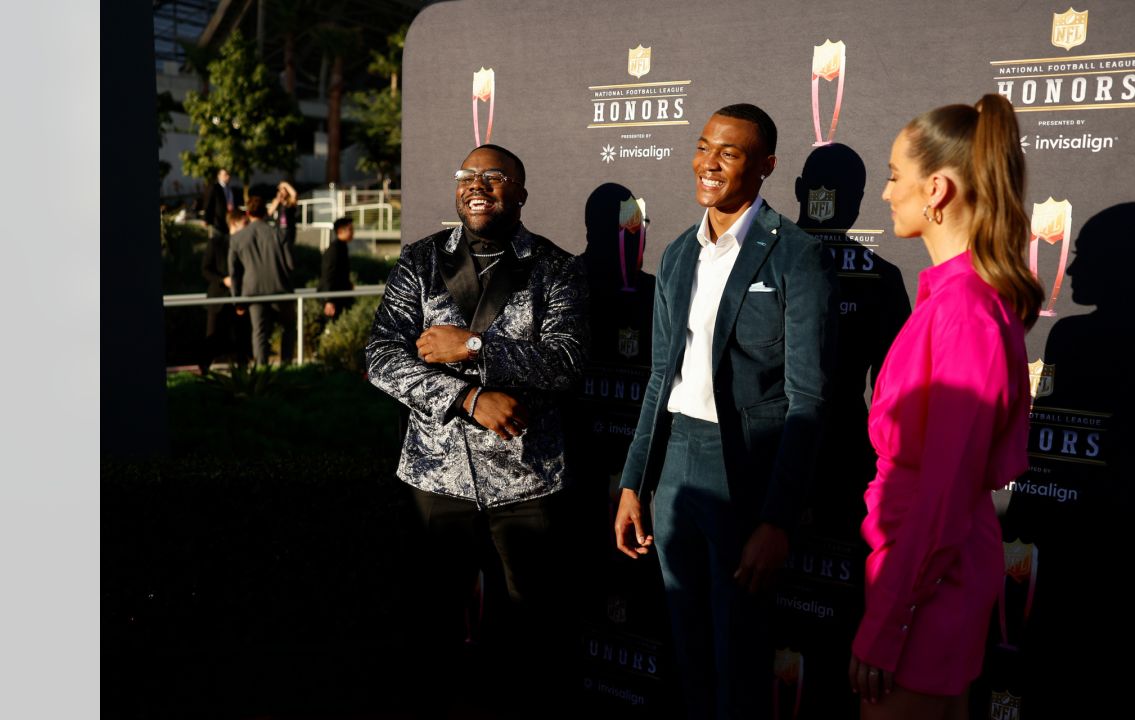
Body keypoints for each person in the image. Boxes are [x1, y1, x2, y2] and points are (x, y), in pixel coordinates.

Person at [613, 104, 837, 720]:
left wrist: (778, 519)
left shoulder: (796, 256)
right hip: (677, 469)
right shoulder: (681, 251)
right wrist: (635, 481)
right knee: (687, 651)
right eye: (705, 146)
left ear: (766, 166)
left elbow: (809, 398)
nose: (709, 163)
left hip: (747, 474)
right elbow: (661, 375)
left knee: (738, 655)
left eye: (730, 153)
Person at [365, 144, 589, 714]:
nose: (478, 184)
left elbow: (565, 361)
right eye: (468, 175)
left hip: (528, 483)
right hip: (434, 484)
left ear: (520, 192)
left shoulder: (554, 267)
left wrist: (473, 346)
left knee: (532, 643)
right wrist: (467, 396)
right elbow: (382, 358)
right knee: (431, 634)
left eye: (495, 175)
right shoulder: (419, 261)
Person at [847, 94, 1044, 719]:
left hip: (927, 588)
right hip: (919, 578)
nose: (885, 193)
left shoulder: (964, 314)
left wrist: (888, 623)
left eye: (894, 176)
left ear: (936, 189)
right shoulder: (952, 302)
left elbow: (945, 493)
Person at [229, 195, 296, 366]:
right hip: (280, 288)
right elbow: (290, 264)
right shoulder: (277, 233)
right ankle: (286, 365)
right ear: (265, 212)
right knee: (288, 328)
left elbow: (234, 272)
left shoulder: (237, 238)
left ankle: (261, 371)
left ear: (248, 212)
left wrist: (237, 299)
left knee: (259, 333)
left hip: (253, 291)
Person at [199, 208, 249, 372]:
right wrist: (223, 280)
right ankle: (204, 370)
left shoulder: (245, 245)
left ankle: (242, 372)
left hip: (237, 300)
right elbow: (206, 270)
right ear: (234, 223)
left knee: (239, 338)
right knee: (211, 338)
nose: (247, 227)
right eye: (244, 223)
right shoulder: (216, 243)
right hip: (218, 299)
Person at [318, 216, 354, 322]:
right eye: (350, 229)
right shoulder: (334, 250)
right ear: (340, 231)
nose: (353, 232)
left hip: (340, 297)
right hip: (334, 300)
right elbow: (327, 274)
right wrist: (329, 300)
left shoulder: (342, 247)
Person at [202, 168, 235, 236]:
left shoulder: (229, 188)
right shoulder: (214, 187)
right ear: (219, 176)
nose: (228, 177)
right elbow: (208, 203)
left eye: (228, 175)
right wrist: (206, 219)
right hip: (217, 221)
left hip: (228, 221)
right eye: (225, 175)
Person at [267, 180, 299, 247]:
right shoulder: (277, 201)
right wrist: (278, 200)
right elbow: (269, 212)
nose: (281, 192)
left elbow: (294, 194)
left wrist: (285, 184)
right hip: (278, 228)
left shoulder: (291, 202)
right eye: (280, 190)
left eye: (284, 190)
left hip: (289, 229)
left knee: (288, 248)